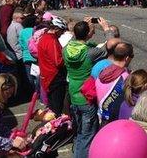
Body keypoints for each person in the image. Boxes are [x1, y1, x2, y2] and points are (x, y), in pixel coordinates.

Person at [63, 20, 110, 158]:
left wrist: (82, 25)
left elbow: (75, 39)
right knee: (87, 135)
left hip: (73, 94)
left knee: (79, 132)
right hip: (86, 96)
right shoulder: (90, 53)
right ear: (88, 34)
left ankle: (76, 154)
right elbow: (109, 46)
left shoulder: (66, 49)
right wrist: (106, 29)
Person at [95, 41, 133, 123]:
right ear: (126, 58)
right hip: (114, 119)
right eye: (132, 56)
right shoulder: (126, 78)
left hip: (100, 115)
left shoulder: (103, 71)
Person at [37, 16, 68, 116]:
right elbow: (58, 61)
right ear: (57, 29)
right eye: (61, 32)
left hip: (46, 75)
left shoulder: (44, 37)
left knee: (52, 105)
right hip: (54, 76)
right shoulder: (52, 40)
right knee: (57, 107)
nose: (61, 34)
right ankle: (57, 128)